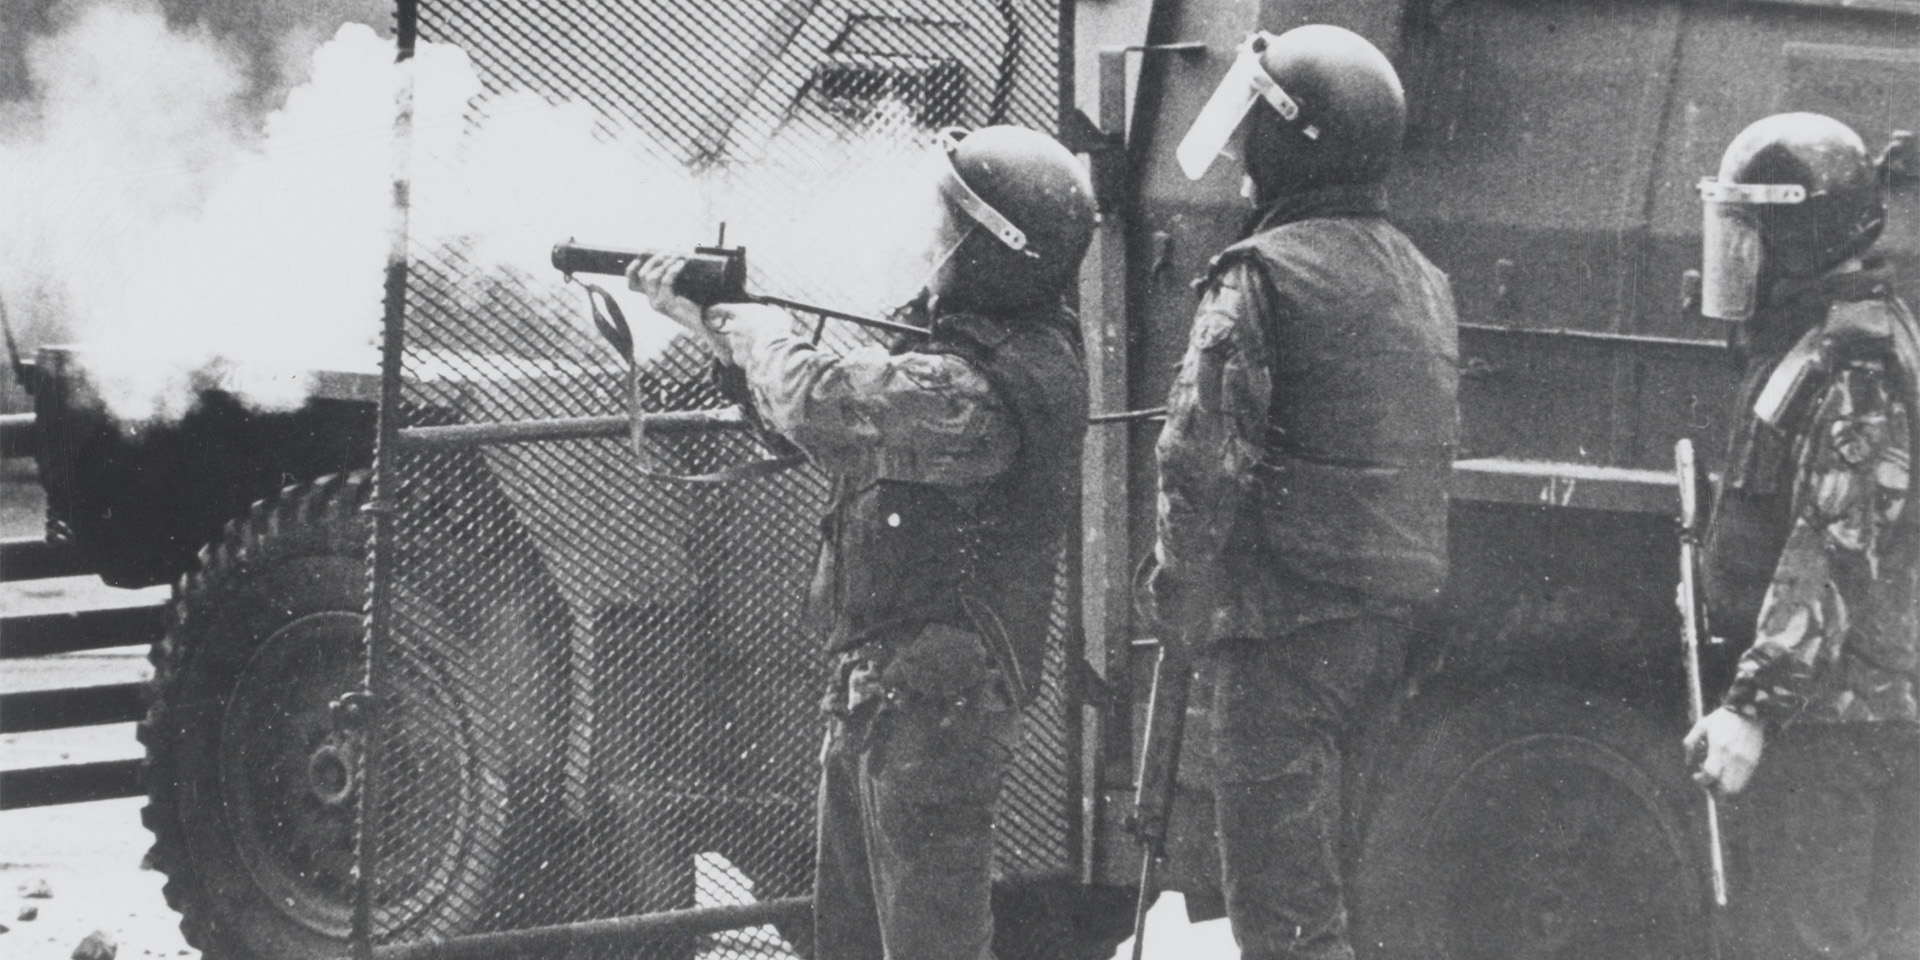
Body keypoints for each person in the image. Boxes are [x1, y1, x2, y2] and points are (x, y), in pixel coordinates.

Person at [631, 124, 1094, 960]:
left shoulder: (979, 384)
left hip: (930, 710)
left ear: (993, 251)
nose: (930, 241)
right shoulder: (985, 343)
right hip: (887, 694)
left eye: (950, 229)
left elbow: (819, 403)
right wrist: (720, 331)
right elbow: (828, 423)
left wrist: (747, 327)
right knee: (847, 939)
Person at [1147, 24, 1458, 960]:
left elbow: (1195, 464)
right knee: (1347, 898)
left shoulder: (1261, 275)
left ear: (1294, 138)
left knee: (1284, 919)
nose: (1244, 156)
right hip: (1384, 631)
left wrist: (1176, 598)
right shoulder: (1425, 279)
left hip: (1280, 635)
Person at [1688, 111, 1919, 960]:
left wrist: (1751, 708)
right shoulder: (1819, 344)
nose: (1740, 255)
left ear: (1803, 228)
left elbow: (1831, 544)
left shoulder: (1853, 362)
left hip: (1834, 730)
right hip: (1822, 721)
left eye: (1755, 229)